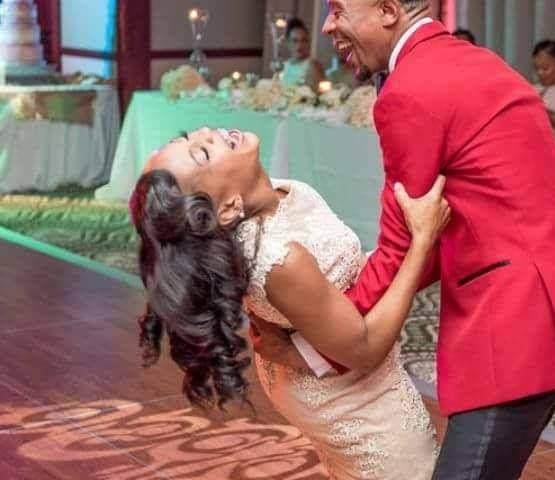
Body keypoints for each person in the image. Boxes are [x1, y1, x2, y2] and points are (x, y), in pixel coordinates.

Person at [317, 1, 555, 478]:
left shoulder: (410, 89)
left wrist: (322, 334)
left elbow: (405, 245)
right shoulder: (470, 58)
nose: (327, 24)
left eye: (338, 8)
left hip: (515, 314)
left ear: (387, 10)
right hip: (553, 293)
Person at [129, 126, 450, 479]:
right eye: (202, 152)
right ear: (228, 208)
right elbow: (365, 349)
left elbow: (342, 283)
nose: (206, 132)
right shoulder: (278, 258)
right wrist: (422, 241)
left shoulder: (272, 194)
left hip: (325, 356)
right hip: (346, 392)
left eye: (191, 135)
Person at [280, 18, 326, 90]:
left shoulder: (313, 65)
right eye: (295, 41)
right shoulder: (285, 65)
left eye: (304, 40)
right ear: (288, 43)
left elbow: (320, 94)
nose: (299, 45)